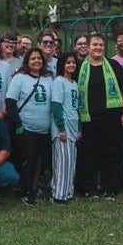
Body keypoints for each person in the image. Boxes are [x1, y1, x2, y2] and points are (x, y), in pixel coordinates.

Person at [75, 33, 123, 199]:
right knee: (89, 154)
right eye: (95, 45)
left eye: (100, 45)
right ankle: (89, 187)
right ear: (88, 47)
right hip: (88, 118)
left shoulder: (113, 65)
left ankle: (111, 187)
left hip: (112, 118)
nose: (98, 47)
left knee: (111, 153)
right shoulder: (80, 67)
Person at [6, 48, 53, 205]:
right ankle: (25, 191)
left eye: (39, 58)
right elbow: (10, 102)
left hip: (44, 128)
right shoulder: (20, 78)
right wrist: (18, 125)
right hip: (27, 128)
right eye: (33, 59)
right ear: (27, 61)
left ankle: (34, 186)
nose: (36, 61)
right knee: (28, 161)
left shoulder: (48, 79)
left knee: (40, 161)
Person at [50, 53, 81, 204]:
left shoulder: (74, 83)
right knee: (62, 162)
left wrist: (79, 128)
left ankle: (68, 192)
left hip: (73, 127)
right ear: (62, 65)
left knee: (70, 162)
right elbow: (56, 106)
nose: (71, 65)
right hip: (63, 127)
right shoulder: (59, 82)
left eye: (73, 62)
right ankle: (58, 194)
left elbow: (76, 107)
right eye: (68, 62)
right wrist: (61, 128)